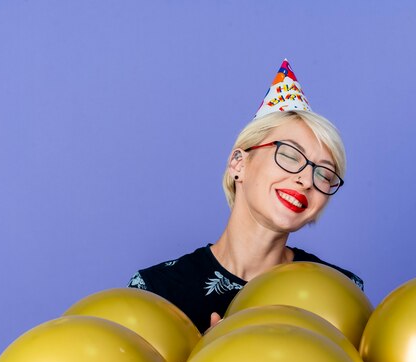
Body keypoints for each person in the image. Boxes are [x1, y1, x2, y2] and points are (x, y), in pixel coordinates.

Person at [128, 59, 364, 333]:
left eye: (323, 174)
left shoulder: (339, 293)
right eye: (289, 155)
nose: (306, 179)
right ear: (238, 163)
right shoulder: (156, 291)